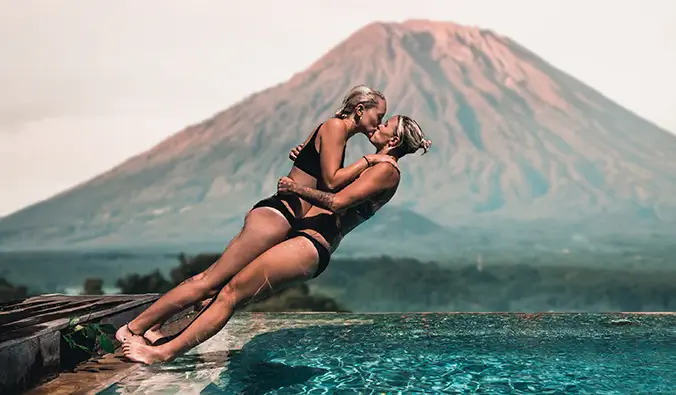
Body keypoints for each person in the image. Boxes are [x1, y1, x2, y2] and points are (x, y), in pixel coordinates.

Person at [122, 114, 431, 364]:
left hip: (310, 244)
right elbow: (331, 181)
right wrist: (309, 157)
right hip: (301, 238)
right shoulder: (374, 164)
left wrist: (295, 189)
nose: (379, 125)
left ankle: (162, 353)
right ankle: (159, 337)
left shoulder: (387, 170)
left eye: (385, 124)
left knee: (230, 295)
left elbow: (337, 203)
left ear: (393, 141)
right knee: (224, 293)